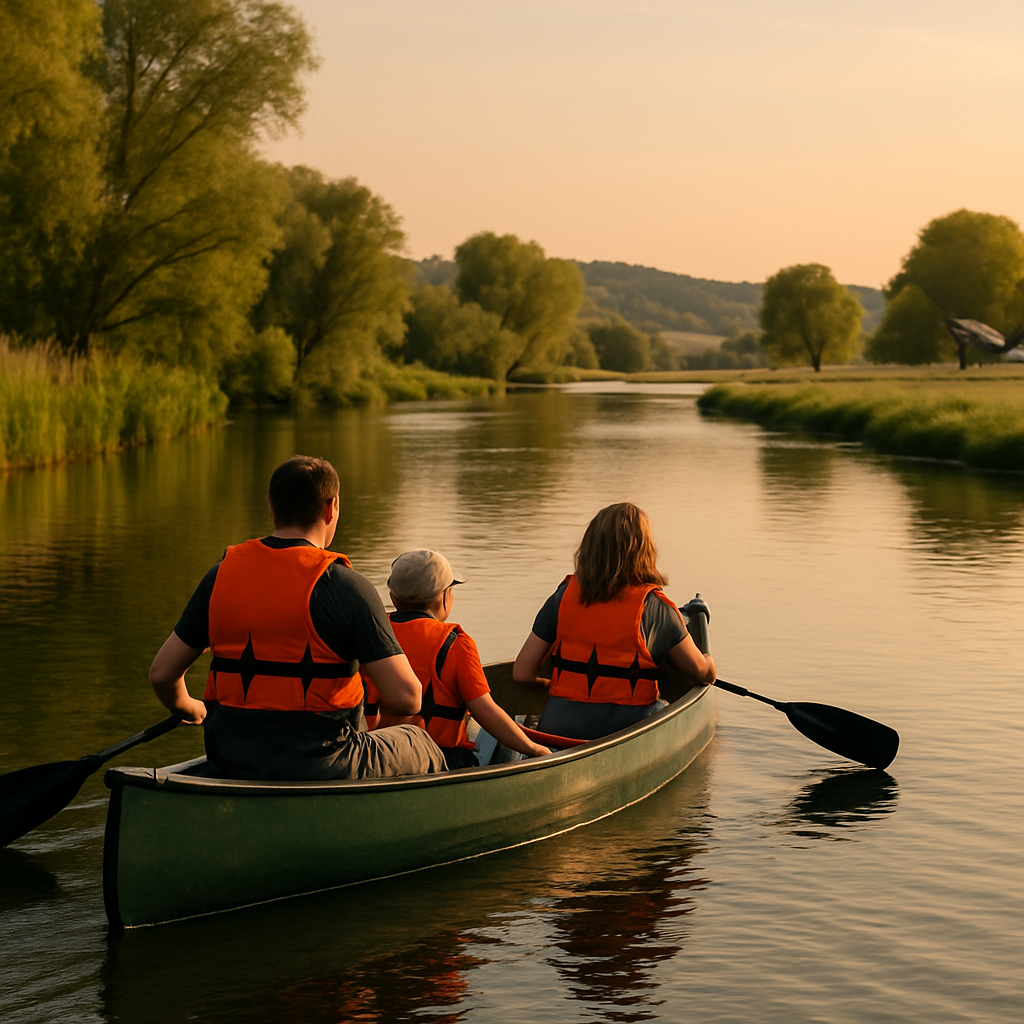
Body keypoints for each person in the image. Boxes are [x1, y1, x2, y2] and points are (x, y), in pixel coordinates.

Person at [148, 455, 447, 780]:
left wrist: (190, 708)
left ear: (272, 508)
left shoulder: (220, 576)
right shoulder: (346, 587)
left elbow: (162, 674)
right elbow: (407, 698)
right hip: (322, 764)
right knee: (417, 741)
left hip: (231, 759)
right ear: (331, 508)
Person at [512, 502, 716, 740]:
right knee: (663, 708)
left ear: (590, 547)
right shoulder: (658, 609)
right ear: (645, 550)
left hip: (556, 732)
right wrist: (709, 660)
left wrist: (559, 687)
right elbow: (703, 674)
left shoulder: (561, 598)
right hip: (625, 735)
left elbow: (522, 674)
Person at [368, 549, 550, 768]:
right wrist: (534, 748)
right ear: (445, 597)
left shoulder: (370, 634)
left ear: (393, 598)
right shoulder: (456, 644)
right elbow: (485, 712)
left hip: (375, 754)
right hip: (440, 759)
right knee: (504, 729)